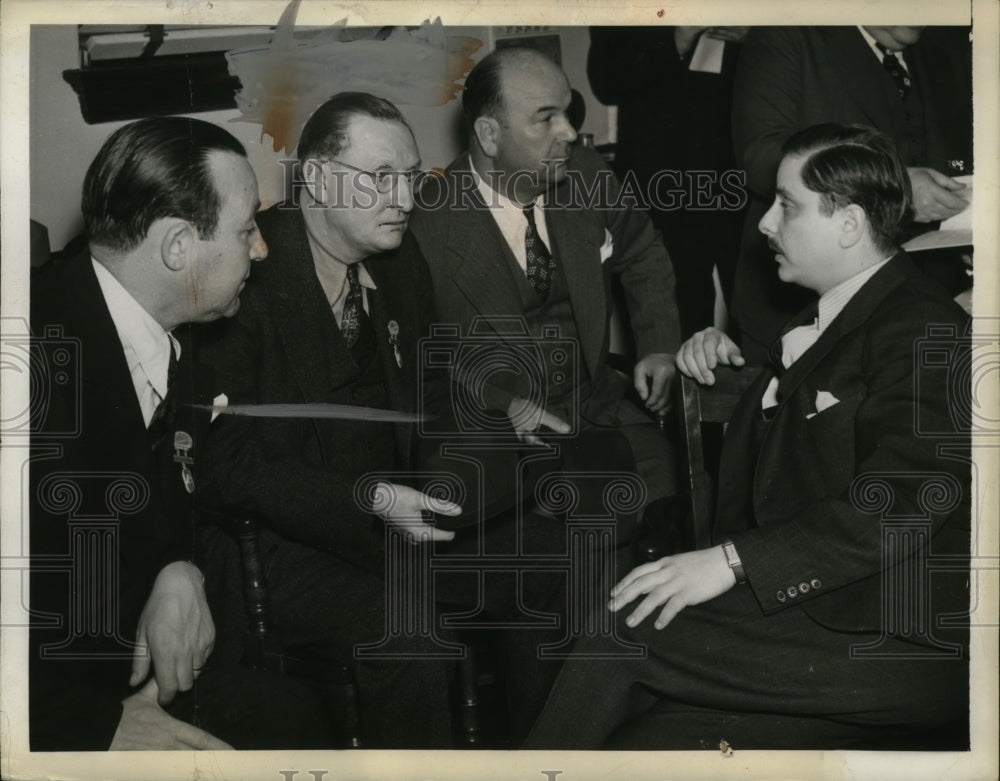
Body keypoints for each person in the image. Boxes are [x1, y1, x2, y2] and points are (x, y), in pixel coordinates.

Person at [523, 124, 970, 750]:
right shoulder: (832, 316)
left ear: (848, 224)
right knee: (645, 748)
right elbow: (793, 455)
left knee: (625, 629)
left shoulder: (925, 325)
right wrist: (743, 374)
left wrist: (732, 562)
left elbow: (904, 501)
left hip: (903, 639)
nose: (763, 224)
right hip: (828, 615)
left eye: (786, 205)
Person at [197, 92, 571, 747]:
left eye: (412, 177)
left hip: (393, 528)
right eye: (381, 178)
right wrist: (368, 498)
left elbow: (429, 380)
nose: (404, 197)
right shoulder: (246, 279)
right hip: (283, 552)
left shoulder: (398, 263)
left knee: (547, 566)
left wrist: (499, 406)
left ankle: (543, 757)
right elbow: (227, 465)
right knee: (409, 632)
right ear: (314, 177)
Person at [29, 116, 330, 750]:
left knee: (294, 719)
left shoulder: (173, 335)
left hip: (121, 665)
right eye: (246, 229)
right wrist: (96, 732)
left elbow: (171, 489)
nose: (262, 249)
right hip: (46, 708)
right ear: (177, 248)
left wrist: (178, 568)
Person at [409, 46, 683, 541]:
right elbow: (419, 359)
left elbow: (642, 252)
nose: (570, 133)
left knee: (682, 501)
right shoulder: (426, 226)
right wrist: (500, 401)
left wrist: (658, 343)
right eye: (546, 119)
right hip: (501, 438)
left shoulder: (584, 173)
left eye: (568, 112)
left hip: (599, 410)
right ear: (489, 135)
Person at [731, 25, 973, 362]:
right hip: (799, 306)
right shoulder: (787, 34)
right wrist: (894, 185)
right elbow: (759, 156)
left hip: (931, 299)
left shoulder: (949, 46)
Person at [588, 25, 748, 337]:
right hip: (664, 182)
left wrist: (760, 35)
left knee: (762, 316)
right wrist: (677, 38)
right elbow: (606, 80)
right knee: (674, 319)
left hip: (746, 174)